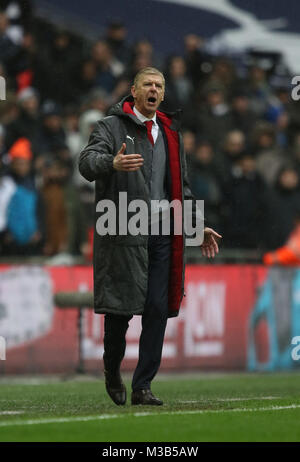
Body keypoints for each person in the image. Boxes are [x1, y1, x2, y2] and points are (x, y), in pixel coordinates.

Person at [79, 67, 221, 406]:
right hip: (123, 227)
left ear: (163, 93)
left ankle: (143, 385)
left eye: (159, 85)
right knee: (120, 313)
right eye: (147, 84)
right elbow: (86, 163)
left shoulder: (171, 133)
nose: (153, 89)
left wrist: (194, 226)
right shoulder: (110, 126)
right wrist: (110, 163)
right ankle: (112, 370)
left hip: (162, 230)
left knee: (157, 307)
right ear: (134, 90)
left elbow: (181, 187)